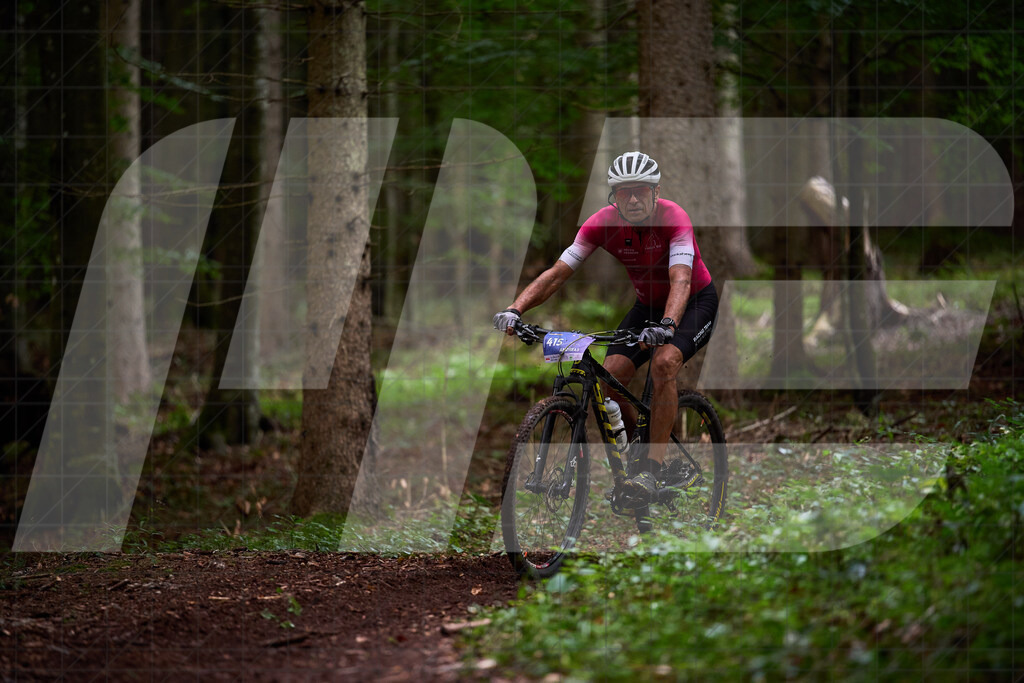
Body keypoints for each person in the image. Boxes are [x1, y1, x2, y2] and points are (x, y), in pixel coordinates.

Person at [492, 151, 718, 504]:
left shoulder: (675, 219)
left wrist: (669, 325)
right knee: (609, 378)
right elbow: (556, 274)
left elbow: (682, 279)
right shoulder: (601, 224)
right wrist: (515, 308)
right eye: (624, 191)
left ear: (655, 192)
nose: (632, 199)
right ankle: (636, 457)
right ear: (614, 196)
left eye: (640, 191)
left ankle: (652, 472)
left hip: (693, 303)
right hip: (648, 306)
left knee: (663, 363)